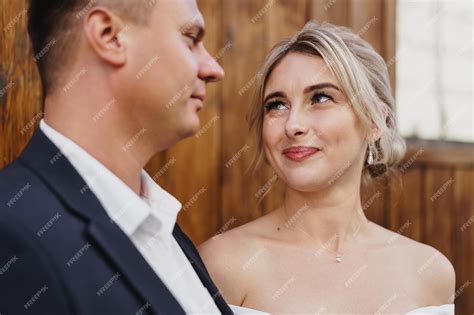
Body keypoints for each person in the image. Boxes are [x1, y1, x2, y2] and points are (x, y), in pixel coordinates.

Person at [198, 21, 455, 314]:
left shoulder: (430, 273)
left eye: (320, 98)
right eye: (277, 105)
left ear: (375, 122)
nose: (293, 125)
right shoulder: (221, 265)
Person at [0, 0, 230, 314]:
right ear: (109, 36)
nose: (213, 69)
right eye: (190, 39)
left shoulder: (161, 224)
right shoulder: (12, 233)